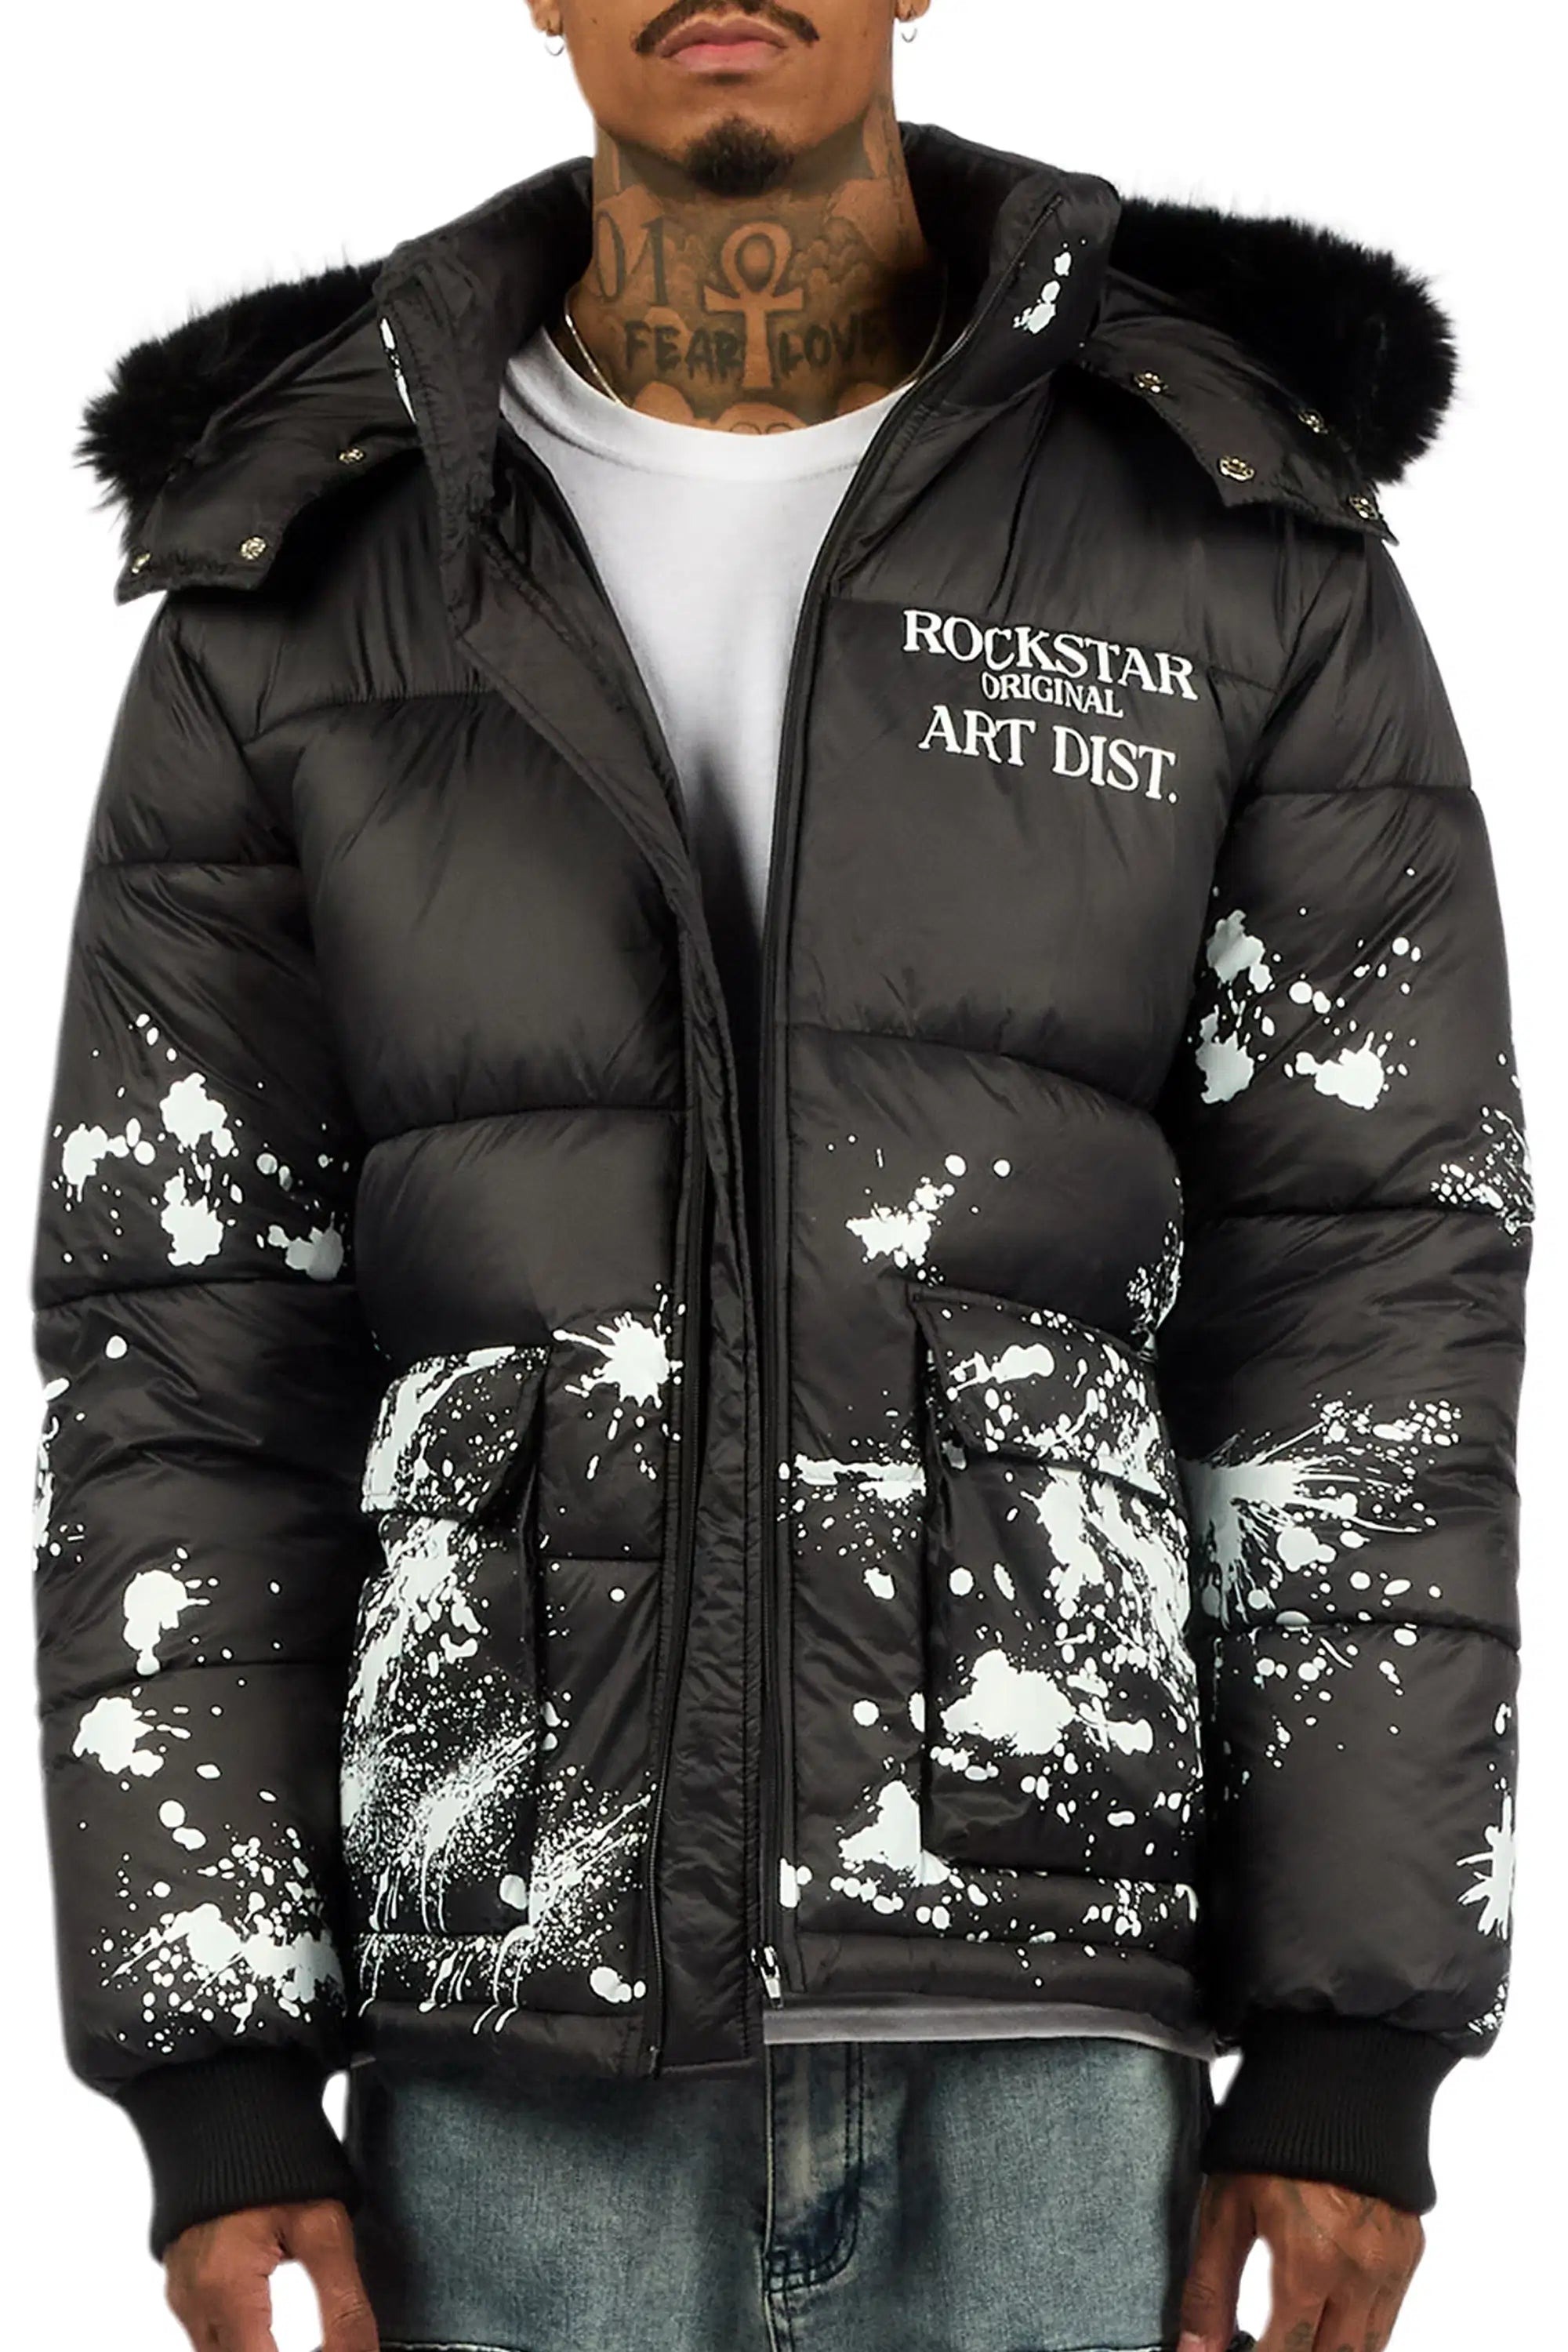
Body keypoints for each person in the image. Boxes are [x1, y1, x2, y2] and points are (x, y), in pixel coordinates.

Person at [33, 3, 1530, 2348]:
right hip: (510, 2027)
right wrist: (212, 2072)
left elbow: (1368, 1303)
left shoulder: (1226, 516)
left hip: (1044, 2032)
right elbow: (183, 1347)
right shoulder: (305, 553)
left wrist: (1358, 2045)